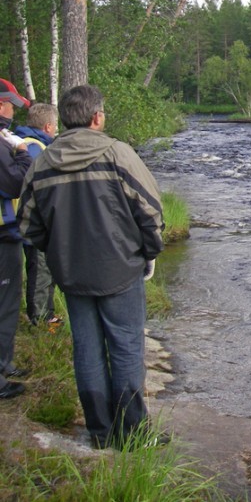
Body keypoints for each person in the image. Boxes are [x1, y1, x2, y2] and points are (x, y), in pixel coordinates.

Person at [18, 85, 166, 448]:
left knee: (87, 350)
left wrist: (58, 254)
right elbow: (150, 211)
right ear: (97, 117)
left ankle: (100, 433)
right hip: (121, 270)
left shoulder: (42, 162)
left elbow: (29, 225)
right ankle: (133, 435)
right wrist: (149, 253)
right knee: (126, 348)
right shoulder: (118, 153)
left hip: (72, 273)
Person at [0, 78, 32, 400]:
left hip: (5, 234)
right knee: (4, 304)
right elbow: (17, 183)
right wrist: (22, 153)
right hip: (1, 237)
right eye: (11, 106)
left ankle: (5, 363)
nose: (14, 112)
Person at [15, 103, 59, 326]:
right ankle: (40, 320)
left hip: (24, 218)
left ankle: (45, 315)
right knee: (41, 270)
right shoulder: (35, 148)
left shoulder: (23, 141)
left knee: (43, 269)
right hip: (33, 220)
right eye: (55, 125)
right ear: (48, 126)